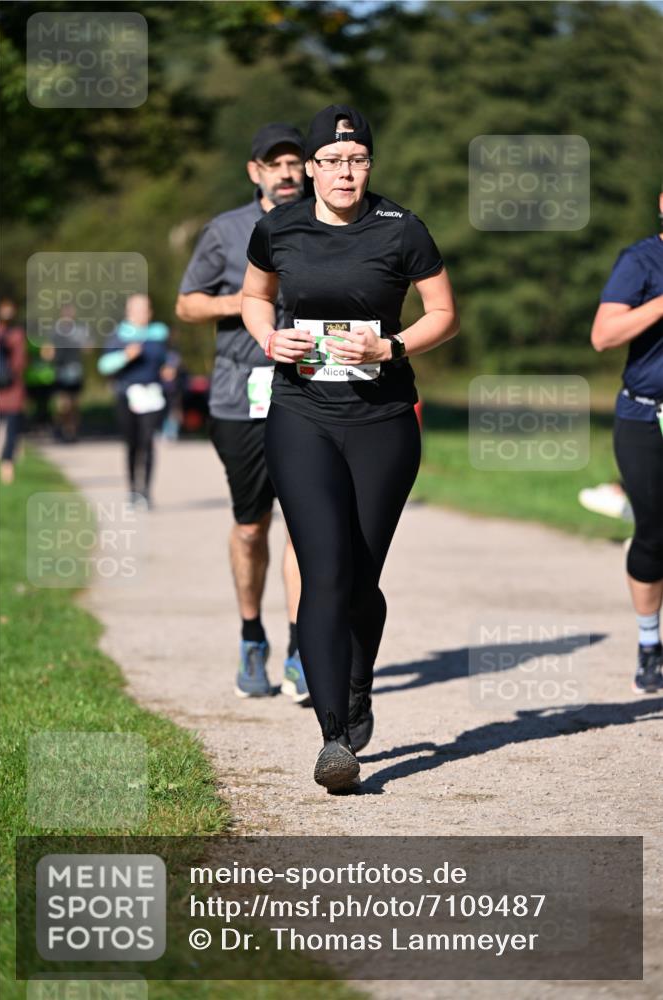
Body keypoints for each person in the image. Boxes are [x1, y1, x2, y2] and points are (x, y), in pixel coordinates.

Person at [241, 105, 460, 792]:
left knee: (361, 577)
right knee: (324, 567)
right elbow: (255, 297)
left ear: (369, 164)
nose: (345, 172)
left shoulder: (402, 229)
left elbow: (444, 315)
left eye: (357, 159)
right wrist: (268, 339)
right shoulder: (277, 227)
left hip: (382, 419)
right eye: (332, 161)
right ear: (307, 170)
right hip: (300, 412)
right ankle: (334, 737)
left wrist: (389, 346)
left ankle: (359, 687)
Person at [176, 123, 311, 704]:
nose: (285, 173)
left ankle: (305, 648)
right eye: (272, 164)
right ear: (254, 171)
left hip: (312, 391)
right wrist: (249, 300)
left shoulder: (328, 223)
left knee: (309, 526)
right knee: (253, 525)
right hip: (240, 394)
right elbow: (187, 303)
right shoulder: (226, 231)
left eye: (293, 162)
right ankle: (252, 635)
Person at [591, 188, 663, 695]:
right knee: (656, 535)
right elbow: (603, 335)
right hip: (646, 416)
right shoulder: (641, 261)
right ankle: (649, 643)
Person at [98, 294, 169, 509]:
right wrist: (126, 356)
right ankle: (132, 489)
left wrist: (170, 367)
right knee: (132, 443)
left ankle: (146, 491)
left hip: (152, 395)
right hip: (127, 395)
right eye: (137, 310)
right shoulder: (119, 336)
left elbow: (169, 357)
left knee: (148, 441)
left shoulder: (159, 334)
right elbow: (103, 366)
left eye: (145, 309)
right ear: (129, 312)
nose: (142, 314)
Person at [0, 297, 27, 484]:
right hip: (12, 390)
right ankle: (7, 469)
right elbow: (20, 363)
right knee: (12, 431)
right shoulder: (17, 335)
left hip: (5, 391)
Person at [50, 304, 89, 443]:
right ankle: (61, 428)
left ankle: (72, 431)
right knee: (62, 404)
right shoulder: (56, 331)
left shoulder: (80, 330)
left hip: (75, 369)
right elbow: (49, 350)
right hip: (60, 369)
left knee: (74, 404)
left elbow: (87, 348)